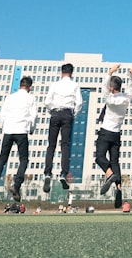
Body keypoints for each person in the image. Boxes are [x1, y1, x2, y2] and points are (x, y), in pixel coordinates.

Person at [0, 75, 37, 203]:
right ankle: (16, 185)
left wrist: (4, 127)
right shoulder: (31, 98)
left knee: (2, 159)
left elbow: (2, 115)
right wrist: (31, 129)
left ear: (20, 85)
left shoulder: (9, 97)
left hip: (8, 130)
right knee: (24, 159)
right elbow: (33, 116)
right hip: (21, 130)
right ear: (29, 87)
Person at [42, 61, 82, 193]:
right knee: (65, 145)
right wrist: (73, 114)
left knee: (51, 145)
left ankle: (48, 172)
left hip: (55, 114)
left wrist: (52, 111)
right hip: (67, 113)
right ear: (71, 73)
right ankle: (63, 173)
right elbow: (79, 103)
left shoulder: (55, 84)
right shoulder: (74, 85)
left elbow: (47, 101)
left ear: (61, 72)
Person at [96, 64, 132, 207]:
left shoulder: (109, 99)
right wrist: (131, 75)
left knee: (99, 157)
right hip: (117, 134)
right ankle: (118, 188)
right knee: (115, 161)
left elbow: (104, 86)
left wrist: (110, 71)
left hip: (105, 132)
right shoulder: (126, 99)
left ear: (112, 88)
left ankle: (110, 174)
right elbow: (131, 87)